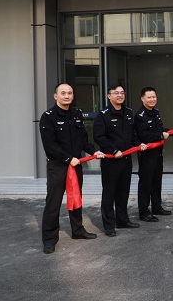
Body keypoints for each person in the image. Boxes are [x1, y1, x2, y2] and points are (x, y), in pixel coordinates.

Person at [39, 83, 105, 254]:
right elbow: (50, 145)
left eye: (69, 93)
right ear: (55, 96)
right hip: (58, 166)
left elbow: (83, 139)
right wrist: (68, 159)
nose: (67, 96)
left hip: (76, 165)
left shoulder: (76, 114)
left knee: (76, 198)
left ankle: (77, 230)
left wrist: (94, 151)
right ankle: (49, 239)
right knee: (53, 203)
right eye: (63, 93)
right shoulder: (48, 117)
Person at [94, 84, 146, 237]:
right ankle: (109, 225)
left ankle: (122, 220)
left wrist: (138, 144)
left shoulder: (128, 112)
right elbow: (99, 137)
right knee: (109, 193)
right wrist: (113, 150)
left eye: (122, 92)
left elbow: (132, 134)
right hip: (111, 161)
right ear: (109, 96)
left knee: (123, 191)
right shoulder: (103, 115)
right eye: (116, 93)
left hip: (126, 159)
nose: (120, 95)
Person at [134, 87, 173, 222]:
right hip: (146, 155)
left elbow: (159, 129)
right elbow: (144, 135)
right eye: (149, 97)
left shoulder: (156, 112)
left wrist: (171, 131)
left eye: (154, 97)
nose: (152, 99)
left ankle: (157, 207)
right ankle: (144, 212)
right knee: (146, 183)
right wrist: (161, 135)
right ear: (142, 99)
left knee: (156, 181)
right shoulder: (140, 116)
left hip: (157, 154)